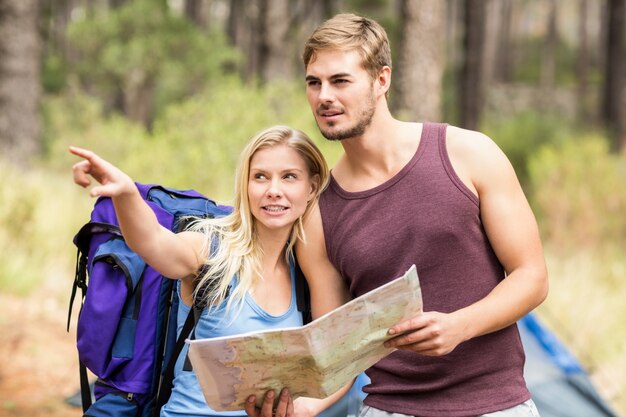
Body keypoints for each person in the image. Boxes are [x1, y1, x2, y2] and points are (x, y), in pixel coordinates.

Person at [247, 13, 549, 417]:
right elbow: (339, 352)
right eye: (313, 82)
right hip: (388, 409)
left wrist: (461, 326)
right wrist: (298, 409)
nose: (324, 97)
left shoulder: (470, 154)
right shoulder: (317, 215)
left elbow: (532, 277)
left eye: (340, 81)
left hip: (497, 406)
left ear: (381, 79)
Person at [70, 125, 350, 417]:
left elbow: (340, 356)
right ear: (246, 185)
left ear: (312, 187)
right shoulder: (212, 251)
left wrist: (304, 409)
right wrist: (126, 194)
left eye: (289, 177)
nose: (273, 191)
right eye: (260, 177)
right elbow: (154, 242)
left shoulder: (307, 272)